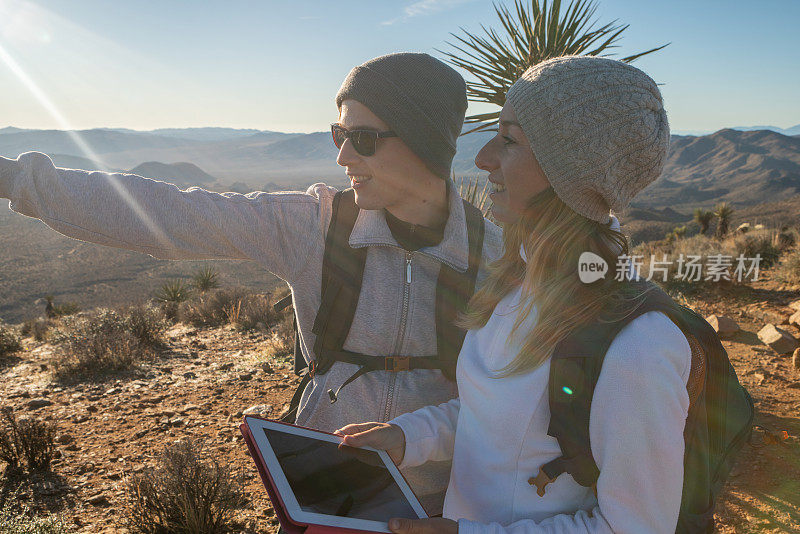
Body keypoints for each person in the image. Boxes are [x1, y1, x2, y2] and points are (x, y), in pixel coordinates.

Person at [0, 52, 503, 514]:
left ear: (424, 140)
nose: (343, 157)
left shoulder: (500, 256)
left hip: (450, 502)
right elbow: (169, 211)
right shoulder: (316, 226)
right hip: (323, 491)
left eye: (363, 139)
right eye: (338, 134)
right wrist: (15, 181)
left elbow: (516, 398)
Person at [336, 56, 698, 533]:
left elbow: (636, 528)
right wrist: (408, 436)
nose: (483, 158)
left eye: (509, 140)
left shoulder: (637, 345)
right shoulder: (516, 281)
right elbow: (494, 415)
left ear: (569, 172)